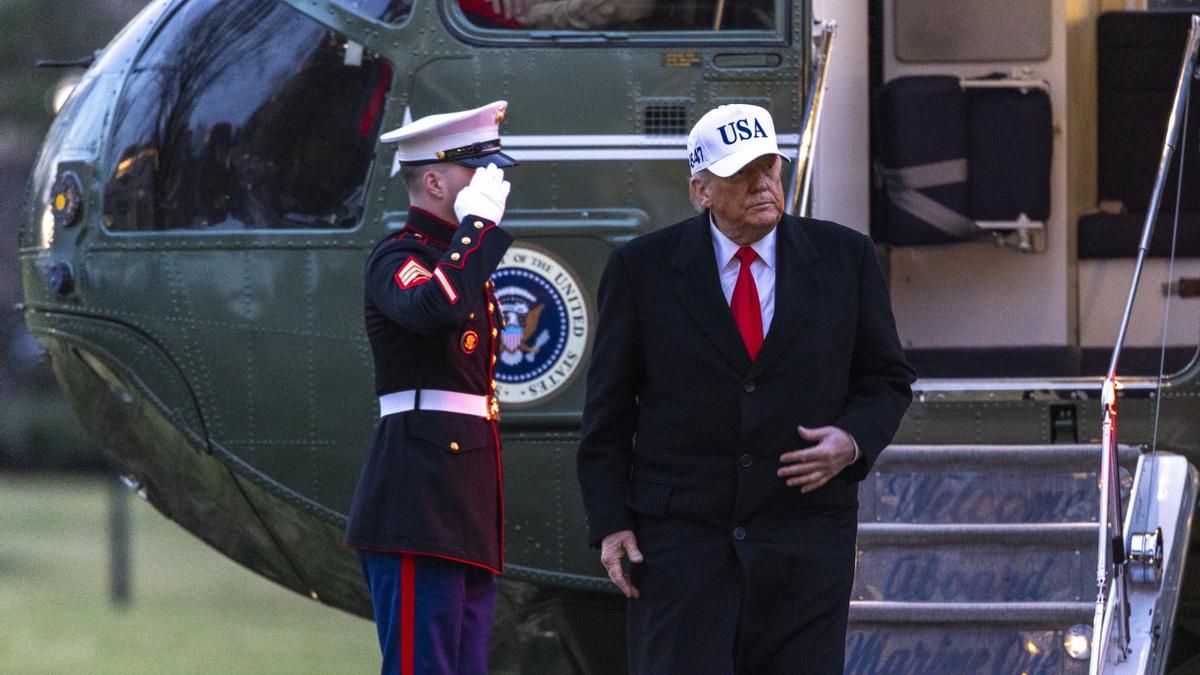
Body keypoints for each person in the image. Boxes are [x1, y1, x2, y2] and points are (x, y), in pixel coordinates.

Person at [576, 103, 916, 674]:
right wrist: (610, 521)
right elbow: (607, 411)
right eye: (742, 173)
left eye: (770, 168)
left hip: (803, 542)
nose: (762, 184)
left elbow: (887, 379)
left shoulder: (844, 258)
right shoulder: (642, 270)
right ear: (701, 189)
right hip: (681, 544)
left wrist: (852, 441)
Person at [344, 100, 516, 675]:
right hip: (419, 502)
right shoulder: (400, 258)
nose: (492, 182)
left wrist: (471, 238)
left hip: (462, 502)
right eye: (477, 170)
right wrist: (475, 230)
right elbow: (435, 308)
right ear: (437, 180)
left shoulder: (458, 266)